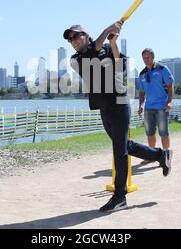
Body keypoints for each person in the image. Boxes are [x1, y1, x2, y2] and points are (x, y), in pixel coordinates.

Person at [63, 22, 173, 212]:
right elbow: (91, 54)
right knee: (125, 146)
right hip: (103, 107)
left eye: (76, 36)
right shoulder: (75, 59)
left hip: (119, 104)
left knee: (119, 151)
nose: (73, 41)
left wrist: (113, 43)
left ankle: (120, 196)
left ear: (86, 35)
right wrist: (108, 29)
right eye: (70, 39)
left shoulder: (104, 48)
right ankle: (161, 155)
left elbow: (120, 65)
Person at [138, 49, 174, 165]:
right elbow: (142, 92)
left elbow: (170, 86)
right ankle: (151, 156)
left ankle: (166, 157)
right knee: (150, 133)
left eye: (148, 57)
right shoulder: (142, 74)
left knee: (164, 132)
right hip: (148, 108)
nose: (145, 59)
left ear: (153, 57)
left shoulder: (162, 69)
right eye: (144, 58)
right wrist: (141, 105)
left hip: (161, 107)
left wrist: (169, 102)